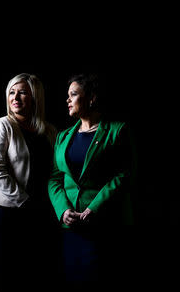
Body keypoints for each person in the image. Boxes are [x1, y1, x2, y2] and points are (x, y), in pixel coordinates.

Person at [48, 73, 136, 286]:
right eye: (67, 95)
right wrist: (63, 210)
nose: (67, 100)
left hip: (106, 226)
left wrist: (94, 209)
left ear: (91, 98)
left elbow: (124, 174)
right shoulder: (63, 136)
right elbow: (55, 178)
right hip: (71, 228)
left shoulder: (118, 131)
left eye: (73, 94)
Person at [0, 73, 57, 291]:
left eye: (23, 92)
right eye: (12, 92)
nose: (15, 97)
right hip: (5, 209)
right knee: (6, 270)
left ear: (35, 98)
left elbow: (56, 170)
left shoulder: (50, 131)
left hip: (41, 210)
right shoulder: (1, 125)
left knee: (34, 270)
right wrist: (25, 202)